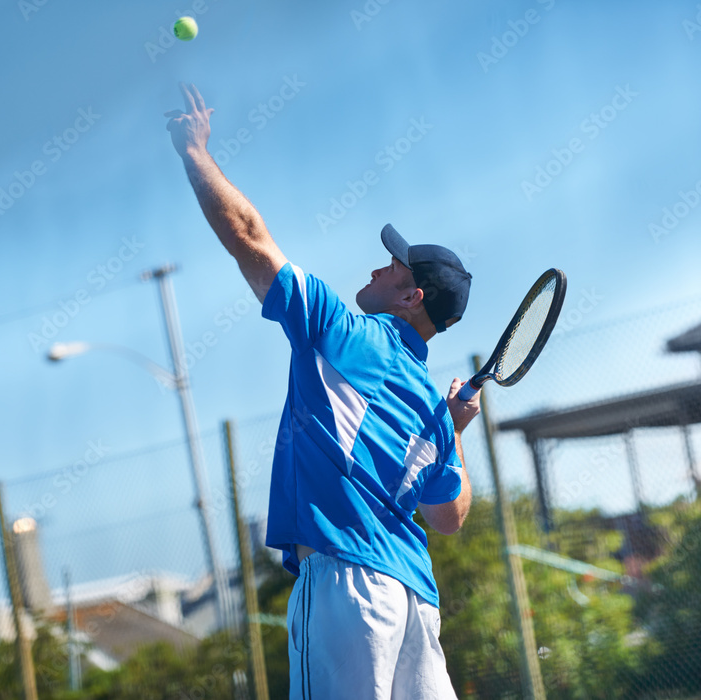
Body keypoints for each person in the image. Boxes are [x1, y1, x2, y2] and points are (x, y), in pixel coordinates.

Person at [166, 82, 480, 700]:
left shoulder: (343, 333)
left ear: (411, 295)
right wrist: (457, 432)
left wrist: (194, 152)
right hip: (414, 600)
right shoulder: (430, 408)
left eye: (392, 266)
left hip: (346, 588)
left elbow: (249, 237)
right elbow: (449, 518)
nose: (377, 267)